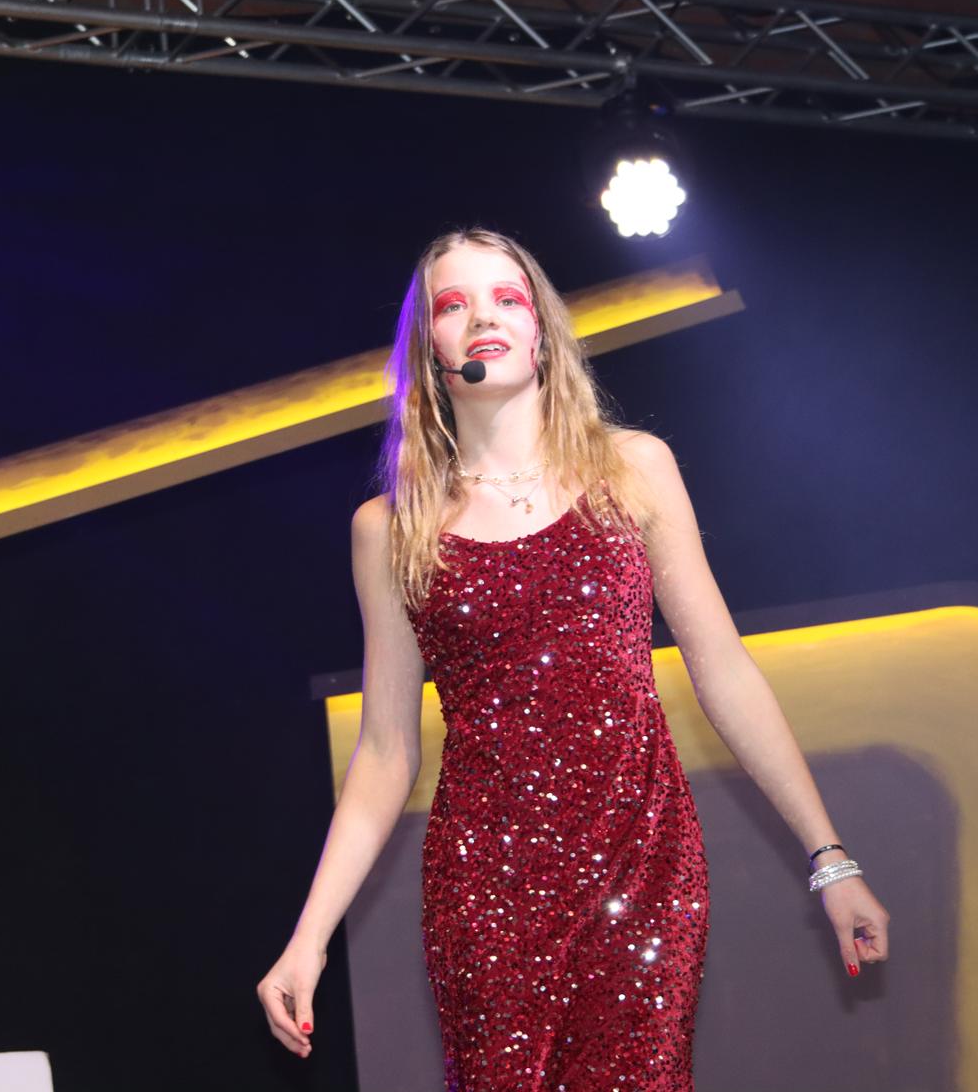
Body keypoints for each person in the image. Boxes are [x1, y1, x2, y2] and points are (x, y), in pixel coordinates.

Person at [256, 228, 891, 1088]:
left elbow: (724, 671)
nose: (483, 317)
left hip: (643, 859)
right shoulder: (392, 526)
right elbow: (384, 751)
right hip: (486, 883)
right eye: (454, 304)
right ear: (430, 348)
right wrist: (308, 940)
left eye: (507, 298)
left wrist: (830, 860)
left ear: (542, 330)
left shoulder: (633, 470)